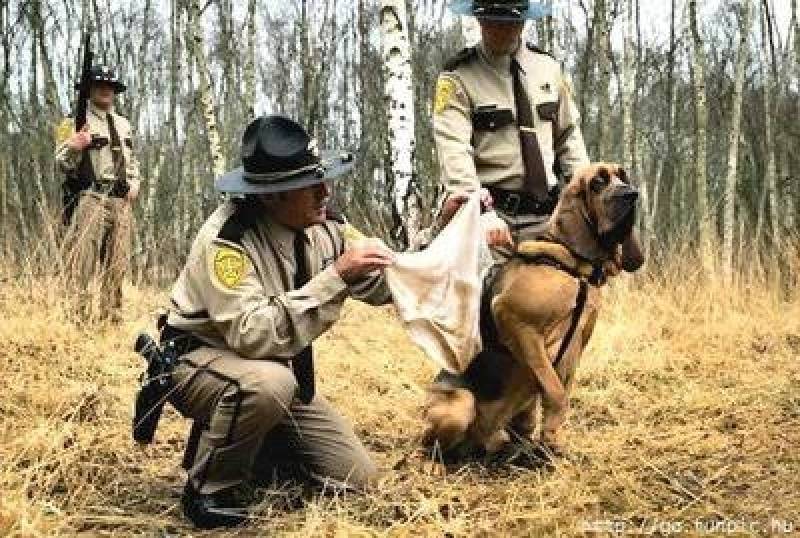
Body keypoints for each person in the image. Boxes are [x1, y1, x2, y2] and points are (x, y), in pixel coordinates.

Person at [160, 115, 395, 528]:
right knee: (268, 385)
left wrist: (448, 234)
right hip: (200, 362)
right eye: (311, 186)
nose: (326, 192)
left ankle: (257, 447)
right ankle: (209, 490)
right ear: (272, 197)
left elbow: (382, 287)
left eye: (324, 179)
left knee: (358, 479)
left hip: (274, 371)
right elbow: (252, 335)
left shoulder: (327, 225)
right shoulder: (228, 241)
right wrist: (336, 277)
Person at [433, 0, 590, 254]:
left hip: (548, 218)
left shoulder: (548, 69)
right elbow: (455, 152)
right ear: (478, 19)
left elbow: (569, 139)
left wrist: (587, 194)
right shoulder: (458, 78)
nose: (501, 29)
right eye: (493, 21)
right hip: (491, 218)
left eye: (510, 22)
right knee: (480, 290)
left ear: (524, 20)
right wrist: (480, 213)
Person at [54, 65, 140, 320]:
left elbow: (132, 160)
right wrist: (74, 145)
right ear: (89, 89)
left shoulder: (124, 124)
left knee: (118, 263)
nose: (105, 90)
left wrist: (135, 183)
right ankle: (77, 317)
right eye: (99, 85)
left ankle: (110, 319)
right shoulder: (72, 122)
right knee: (83, 261)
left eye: (110, 86)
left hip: (120, 201)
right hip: (91, 198)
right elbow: (59, 163)